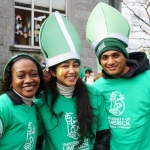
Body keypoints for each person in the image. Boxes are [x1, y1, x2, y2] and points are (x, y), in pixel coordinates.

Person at [34, 11, 110, 150]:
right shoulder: (41, 102)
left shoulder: (95, 95)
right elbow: (37, 142)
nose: (72, 70)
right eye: (65, 66)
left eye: (75, 65)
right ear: (52, 71)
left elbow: (103, 136)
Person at [86, 2, 150, 150]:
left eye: (116, 55)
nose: (110, 62)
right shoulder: (96, 88)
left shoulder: (148, 79)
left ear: (125, 56)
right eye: (105, 57)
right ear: (100, 61)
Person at [0, 53, 44, 149]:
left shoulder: (33, 105)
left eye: (34, 74)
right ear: (10, 81)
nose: (28, 80)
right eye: (21, 76)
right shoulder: (3, 106)